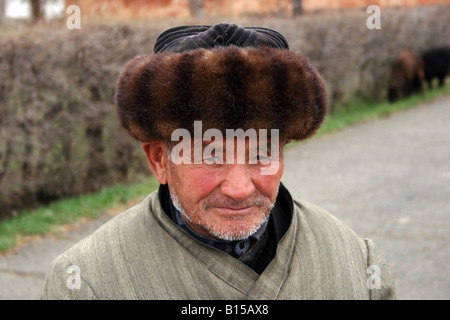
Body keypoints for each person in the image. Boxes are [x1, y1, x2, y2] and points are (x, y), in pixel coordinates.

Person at [40, 23, 396, 300]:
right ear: (159, 160)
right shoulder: (85, 282)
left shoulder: (358, 264)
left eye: (260, 154)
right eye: (211, 156)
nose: (239, 189)